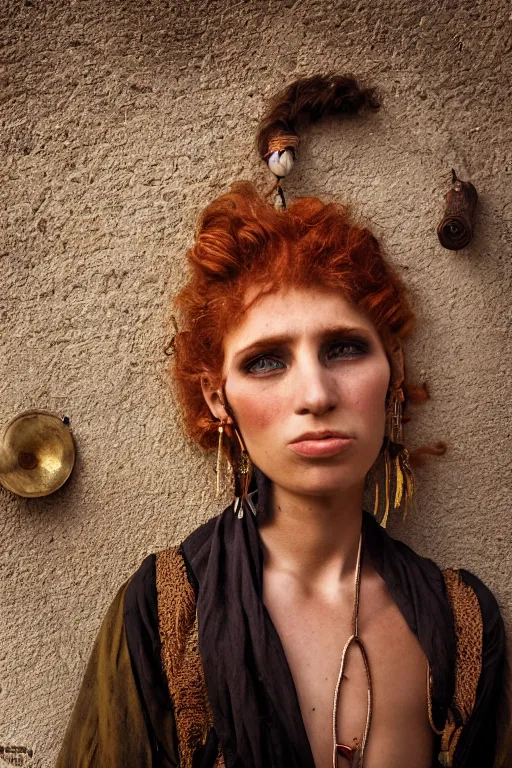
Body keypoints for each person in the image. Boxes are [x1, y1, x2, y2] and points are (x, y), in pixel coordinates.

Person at [56, 76, 509, 768]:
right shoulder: (165, 616)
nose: (317, 392)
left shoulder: (463, 624)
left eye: (346, 348)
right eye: (267, 361)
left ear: (391, 377)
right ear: (218, 400)